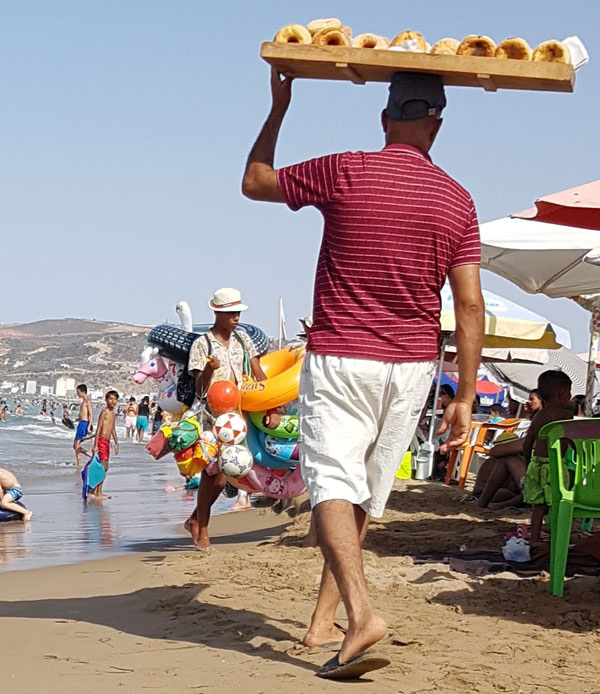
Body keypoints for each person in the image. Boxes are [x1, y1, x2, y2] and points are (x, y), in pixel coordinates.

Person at [243, 70, 484, 678]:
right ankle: (326, 621)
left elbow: (255, 182)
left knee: (330, 482)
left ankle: (360, 615)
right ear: (436, 124)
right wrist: (467, 395)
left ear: (384, 119)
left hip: (344, 355)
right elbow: (470, 306)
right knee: (362, 494)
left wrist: (279, 108)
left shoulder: (347, 169)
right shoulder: (457, 200)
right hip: (410, 369)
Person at [185, 287, 281, 552]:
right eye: (230, 313)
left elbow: (258, 372)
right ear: (217, 312)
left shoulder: (243, 340)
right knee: (213, 475)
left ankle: (195, 519)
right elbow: (199, 390)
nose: (236, 317)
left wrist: (273, 404)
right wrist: (208, 368)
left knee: (229, 472)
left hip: (240, 414)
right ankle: (202, 528)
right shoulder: (202, 344)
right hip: (214, 416)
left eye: (238, 312)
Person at [522, 371, 573, 544]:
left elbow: (527, 443)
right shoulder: (566, 415)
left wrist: (527, 462)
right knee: (559, 505)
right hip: (556, 466)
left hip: (536, 464)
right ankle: (557, 539)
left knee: (538, 509)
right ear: (562, 393)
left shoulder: (538, 417)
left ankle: (534, 540)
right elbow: (572, 441)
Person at [91, 390, 119, 500]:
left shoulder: (113, 413)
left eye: (115, 399)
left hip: (107, 442)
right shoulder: (105, 412)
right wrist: (95, 445)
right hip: (101, 441)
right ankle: (98, 492)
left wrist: (116, 443)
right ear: (106, 400)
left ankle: (96, 490)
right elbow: (98, 429)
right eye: (111, 399)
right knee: (103, 467)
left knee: (105, 468)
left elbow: (112, 428)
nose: (113, 401)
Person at [73, 384, 93, 468]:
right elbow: (82, 415)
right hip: (81, 422)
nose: (77, 394)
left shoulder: (87, 401)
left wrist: (89, 426)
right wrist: (75, 420)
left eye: (78, 392)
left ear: (82, 391)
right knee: (75, 445)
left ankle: (82, 461)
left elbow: (91, 415)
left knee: (76, 445)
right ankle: (82, 461)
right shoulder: (82, 402)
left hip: (84, 424)